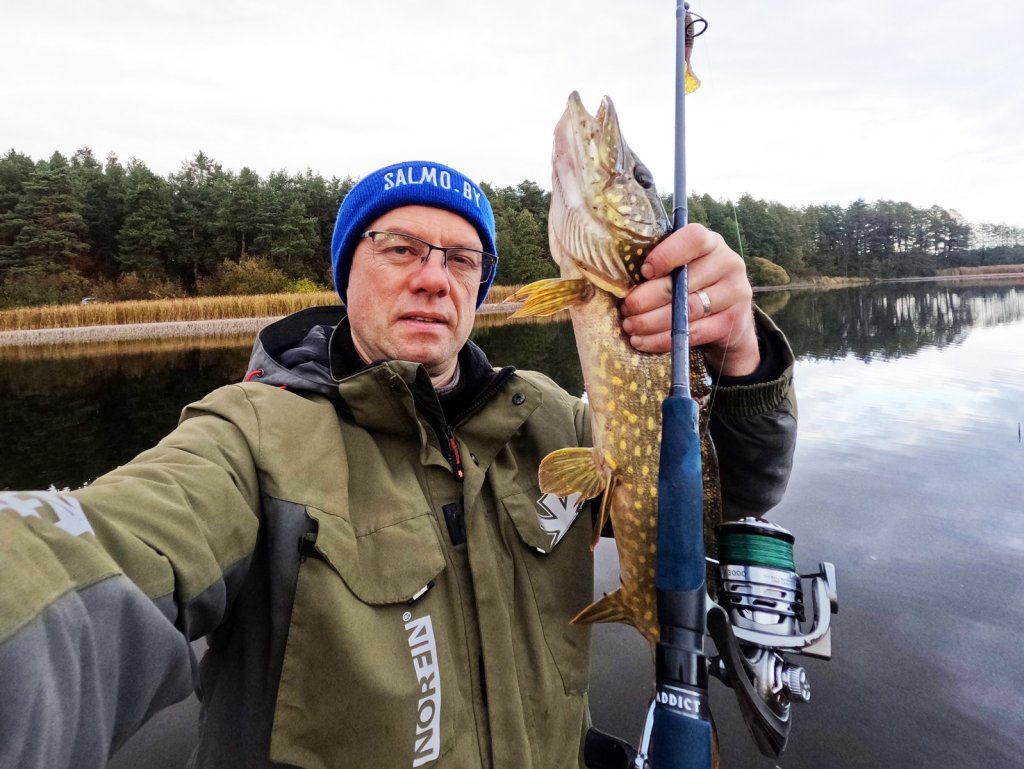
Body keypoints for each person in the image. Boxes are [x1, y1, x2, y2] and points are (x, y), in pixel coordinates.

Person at [0, 160, 796, 769]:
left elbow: (727, 499)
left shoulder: (549, 421)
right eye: (398, 247)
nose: (430, 275)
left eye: (459, 256)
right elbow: (91, 561)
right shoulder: (248, 439)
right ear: (346, 272)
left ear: (481, 286)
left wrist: (740, 358)